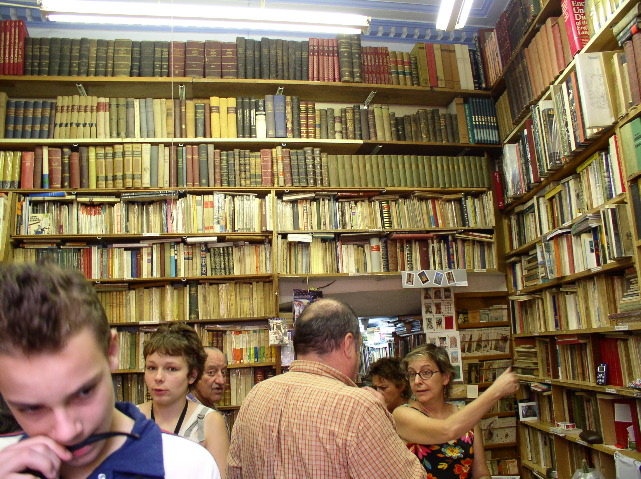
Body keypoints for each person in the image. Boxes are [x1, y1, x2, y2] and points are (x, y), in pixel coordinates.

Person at [0, 262, 220, 479]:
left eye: (84, 392)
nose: (67, 432)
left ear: (111, 351)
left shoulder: (189, 466)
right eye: (31, 409)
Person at [228, 298, 427, 479]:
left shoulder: (255, 395)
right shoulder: (358, 406)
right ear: (349, 344)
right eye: (358, 348)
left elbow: (235, 472)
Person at [393, 343, 519, 479]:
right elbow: (447, 430)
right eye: (412, 374)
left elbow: (481, 474)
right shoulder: (402, 414)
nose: (417, 381)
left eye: (426, 373)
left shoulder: (464, 417)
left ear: (445, 377)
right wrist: (496, 391)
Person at [138, 323, 229, 477]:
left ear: (192, 375)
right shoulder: (130, 417)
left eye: (171, 369)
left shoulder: (209, 422)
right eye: (152, 368)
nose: (158, 377)